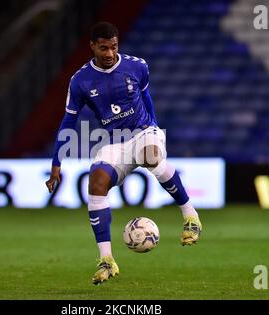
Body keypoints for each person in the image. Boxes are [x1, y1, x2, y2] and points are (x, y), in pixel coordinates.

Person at [45, 22, 202, 285]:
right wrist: (56, 162)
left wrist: (153, 124)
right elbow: (68, 122)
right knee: (95, 183)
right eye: (103, 48)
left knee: (151, 155)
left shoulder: (137, 66)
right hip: (114, 141)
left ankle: (191, 216)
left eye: (114, 47)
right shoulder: (80, 81)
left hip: (143, 132)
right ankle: (106, 260)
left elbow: (146, 95)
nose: (109, 53)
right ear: (92, 46)